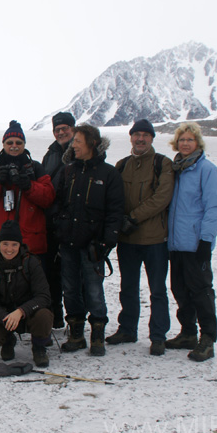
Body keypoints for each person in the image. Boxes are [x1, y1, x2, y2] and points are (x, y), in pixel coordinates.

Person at [53, 124, 123, 357]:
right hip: (68, 243)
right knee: (70, 289)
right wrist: (59, 228)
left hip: (93, 246)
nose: (73, 146)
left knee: (94, 290)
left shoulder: (108, 174)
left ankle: (97, 336)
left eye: (77, 142)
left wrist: (106, 242)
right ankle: (76, 334)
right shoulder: (68, 171)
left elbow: (115, 212)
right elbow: (58, 202)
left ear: (91, 144)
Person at [107, 120, 174, 356]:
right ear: (131, 138)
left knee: (157, 290)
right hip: (128, 240)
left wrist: (132, 218)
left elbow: (161, 197)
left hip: (155, 240)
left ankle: (158, 336)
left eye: (146, 135)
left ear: (152, 138)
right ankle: (127, 329)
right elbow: (113, 197)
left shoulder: (162, 164)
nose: (141, 139)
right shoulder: (122, 165)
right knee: (128, 287)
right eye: (137, 135)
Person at [165, 122, 217, 362]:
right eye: (182, 140)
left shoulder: (207, 170)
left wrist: (206, 241)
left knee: (201, 292)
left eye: (190, 140)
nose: (185, 144)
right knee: (179, 290)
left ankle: (207, 338)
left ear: (197, 143)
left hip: (195, 244)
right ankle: (188, 333)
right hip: (175, 244)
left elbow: (214, 207)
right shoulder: (175, 170)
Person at [0, 121, 55, 260]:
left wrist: (29, 186)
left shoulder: (34, 167)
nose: (14, 146)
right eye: (10, 142)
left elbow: (48, 197)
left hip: (30, 244)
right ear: (3, 144)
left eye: (18, 143)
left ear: (24, 144)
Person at [0, 221, 54, 367]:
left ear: (20, 245)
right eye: (5, 244)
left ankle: (39, 346)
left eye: (14, 244)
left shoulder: (31, 263)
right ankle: (8, 340)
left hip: (30, 313)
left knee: (44, 316)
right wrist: (5, 317)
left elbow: (44, 296)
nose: (9, 249)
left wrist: (21, 311)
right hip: (6, 316)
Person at [41, 112, 76, 329]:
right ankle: (56, 315)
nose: (61, 132)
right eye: (57, 129)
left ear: (73, 129)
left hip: (74, 222)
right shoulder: (51, 154)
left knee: (73, 275)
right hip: (52, 221)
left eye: (65, 128)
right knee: (51, 272)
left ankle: (76, 321)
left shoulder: (82, 150)